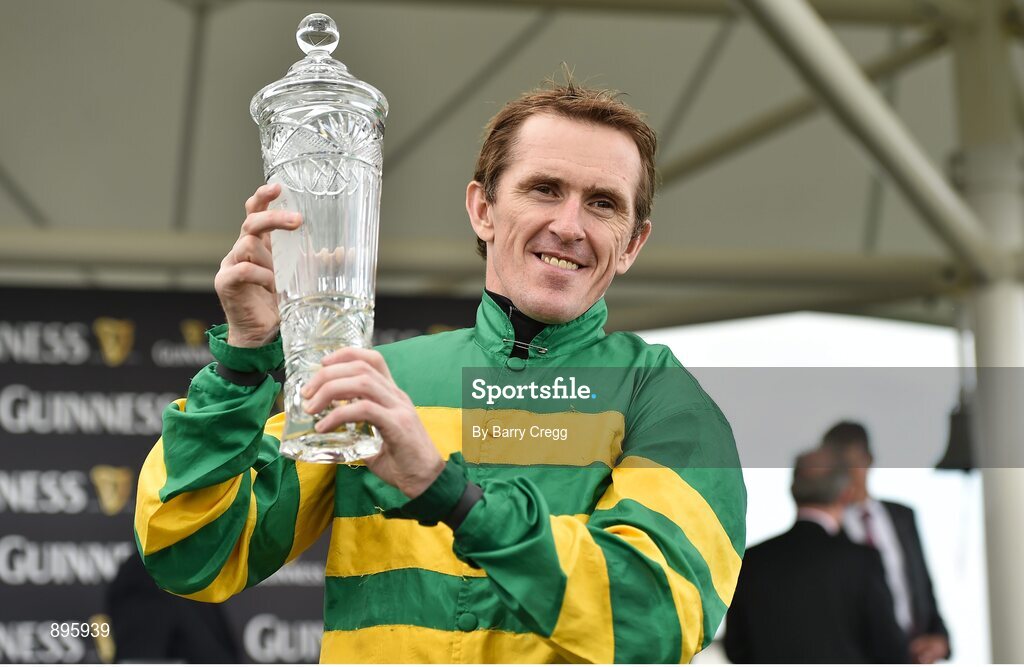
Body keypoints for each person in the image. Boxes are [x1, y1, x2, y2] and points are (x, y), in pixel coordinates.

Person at [133, 77, 747, 663]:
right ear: (482, 208)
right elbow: (189, 554)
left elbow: (656, 618)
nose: (569, 225)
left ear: (634, 242)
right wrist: (244, 359)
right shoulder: (375, 382)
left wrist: (448, 493)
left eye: (603, 204)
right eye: (544, 189)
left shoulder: (667, 402)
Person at [724, 448, 908, 663]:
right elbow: (890, 650)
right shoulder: (862, 562)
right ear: (846, 494)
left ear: (793, 490)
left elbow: (736, 649)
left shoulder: (751, 560)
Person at [822, 420, 951, 664]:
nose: (845, 474)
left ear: (868, 459)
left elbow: (922, 586)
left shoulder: (903, 516)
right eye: (837, 466)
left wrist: (939, 638)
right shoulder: (829, 530)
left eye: (850, 463)